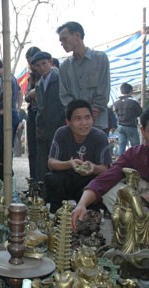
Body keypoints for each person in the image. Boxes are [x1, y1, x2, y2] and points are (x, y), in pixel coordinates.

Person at [71, 107, 149, 229]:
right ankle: (132, 231)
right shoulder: (135, 154)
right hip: (142, 209)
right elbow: (105, 179)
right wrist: (82, 204)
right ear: (142, 131)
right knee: (112, 190)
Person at [44, 99, 111, 213]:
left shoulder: (100, 136)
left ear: (92, 119)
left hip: (88, 181)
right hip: (67, 179)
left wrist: (93, 168)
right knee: (51, 178)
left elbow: (106, 169)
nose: (84, 123)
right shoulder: (61, 133)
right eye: (78, 119)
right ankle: (56, 213)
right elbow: (51, 163)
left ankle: (92, 212)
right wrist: (70, 164)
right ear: (68, 121)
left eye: (87, 117)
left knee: (99, 182)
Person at [57, 21, 110, 132]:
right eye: (60, 41)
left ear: (77, 35)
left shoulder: (100, 59)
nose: (62, 43)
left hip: (98, 122)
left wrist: (91, 112)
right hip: (75, 126)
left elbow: (104, 90)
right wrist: (79, 115)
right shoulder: (64, 67)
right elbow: (64, 96)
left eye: (64, 39)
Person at [31, 51, 66, 180]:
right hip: (43, 128)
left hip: (59, 125)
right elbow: (40, 107)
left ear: (50, 62)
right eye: (38, 65)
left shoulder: (60, 78)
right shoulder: (39, 83)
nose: (41, 68)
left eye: (44, 64)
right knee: (43, 163)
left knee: (57, 161)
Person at [24, 46, 41, 181]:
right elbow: (27, 96)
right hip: (32, 113)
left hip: (45, 115)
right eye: (29, 62)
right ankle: (33, 181)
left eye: (33, 62)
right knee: (32, 151)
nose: (32, 66)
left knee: (43, 150)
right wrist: (32, 94)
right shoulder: (31, 77)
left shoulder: (50, 74)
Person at [114, 82, 142, 156]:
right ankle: (135, 162)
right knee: (135, 147)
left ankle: (120, 163)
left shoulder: (116, 102)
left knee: (121, 146)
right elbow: (140, 113)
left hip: (120, 127)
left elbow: (116, 113)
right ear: (131, 91)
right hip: (130, 126)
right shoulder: (133, 102)